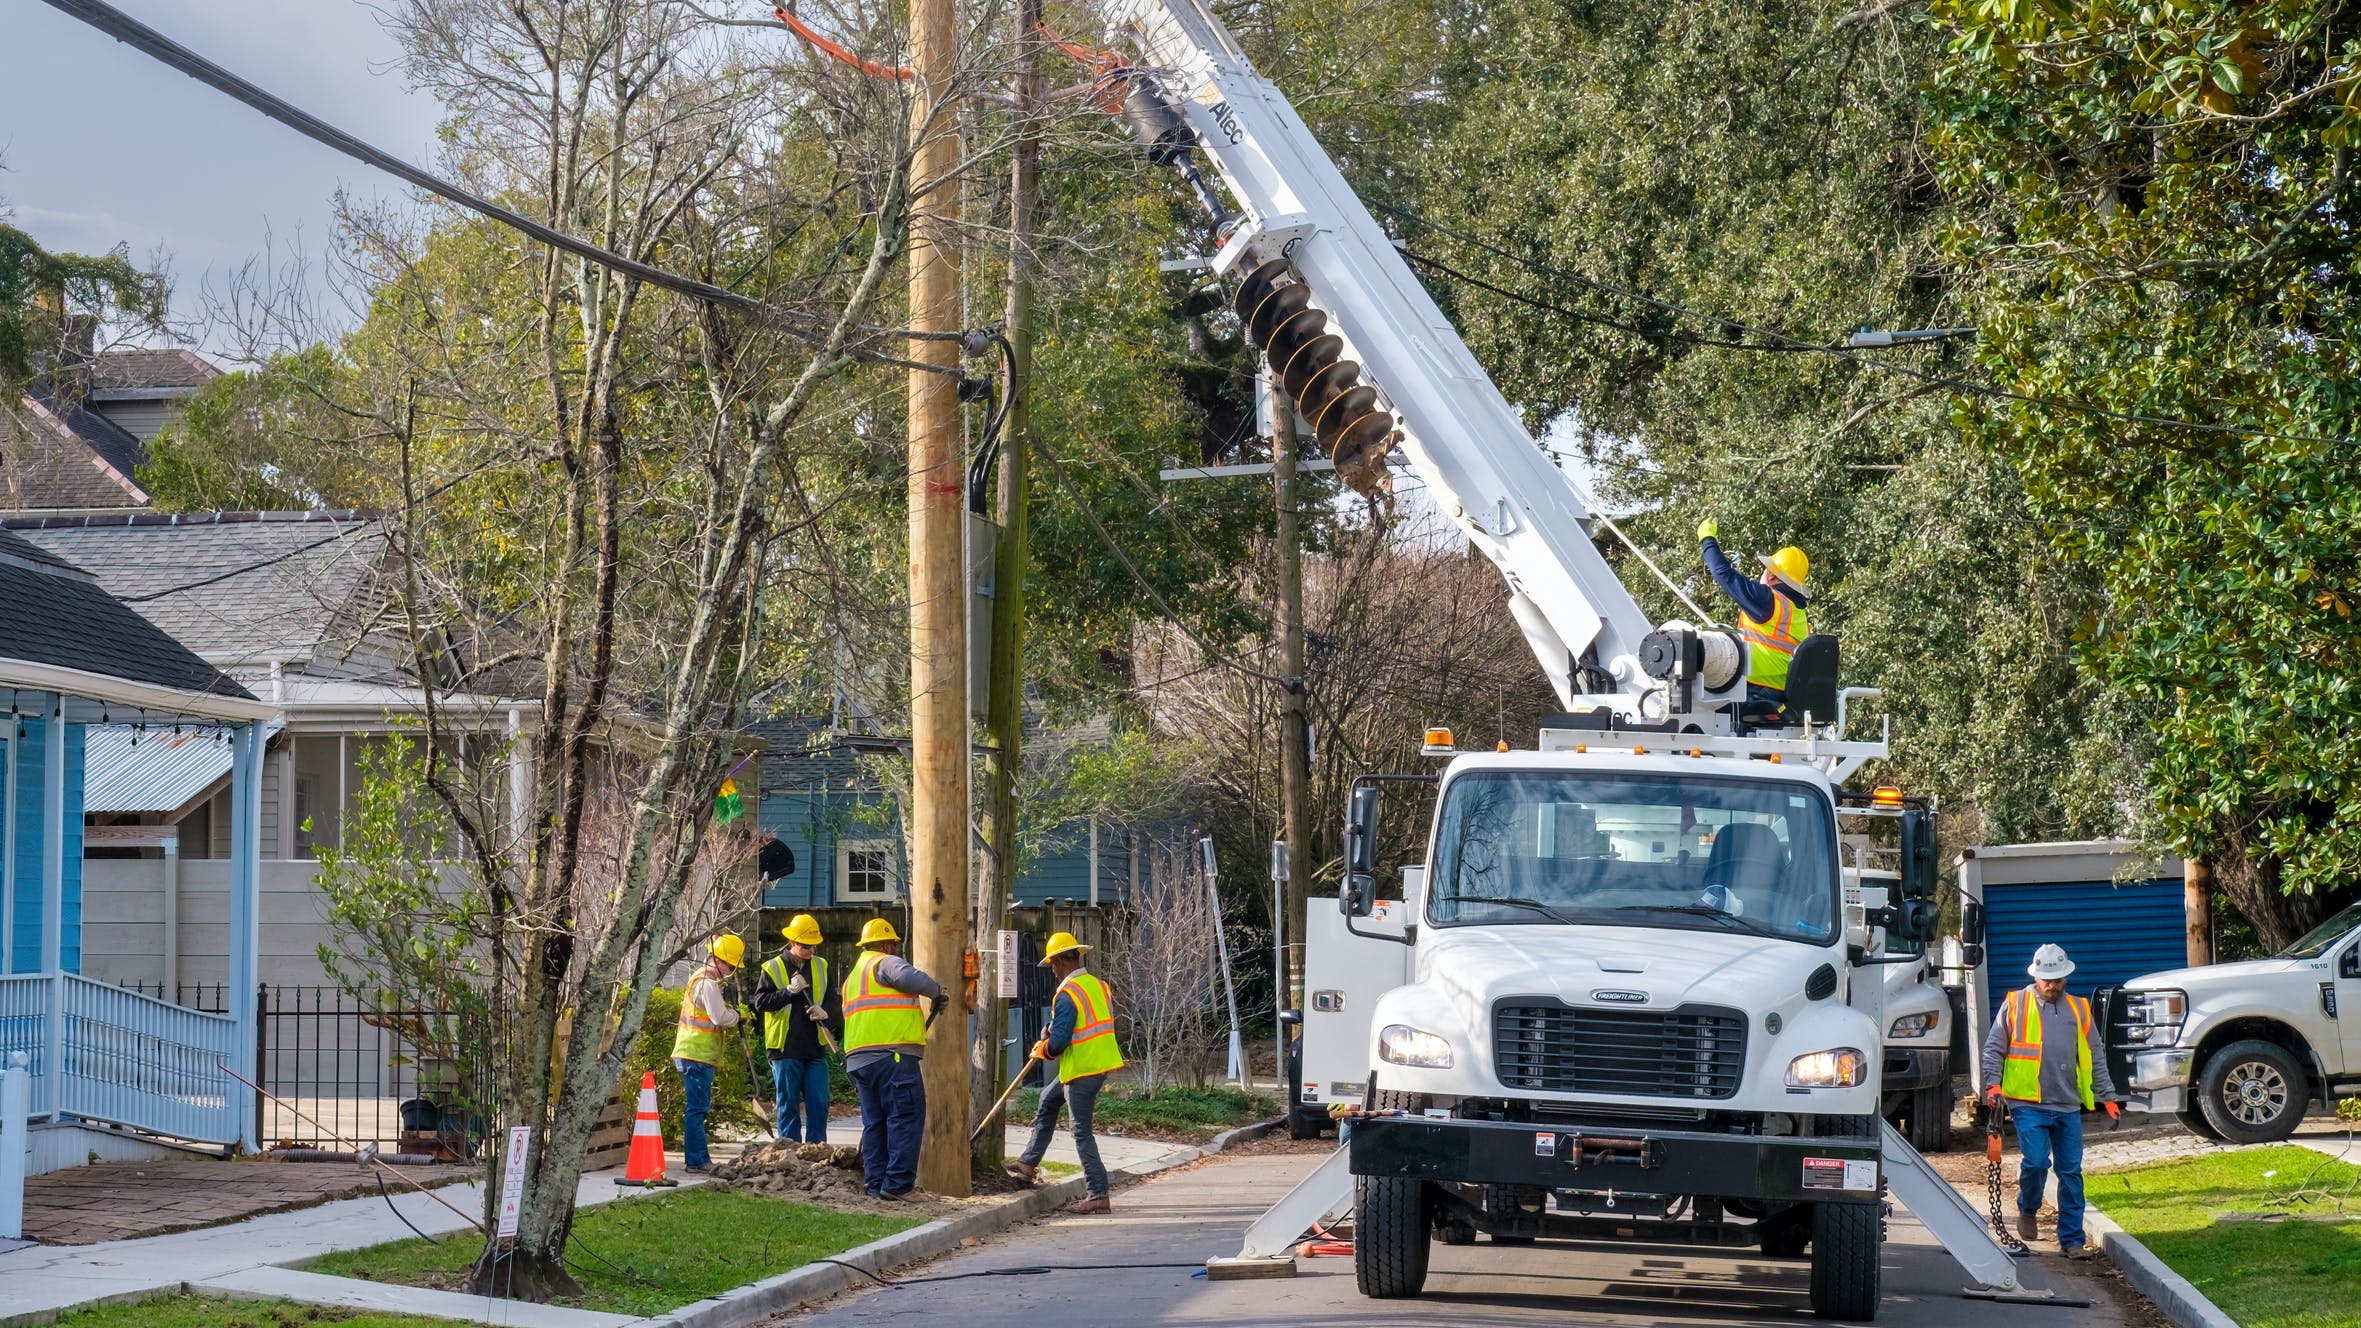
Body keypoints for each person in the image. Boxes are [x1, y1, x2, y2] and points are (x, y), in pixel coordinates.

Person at [1981, 943, 2122, 1259]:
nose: (2052, 985)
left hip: (2067, 1104)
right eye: (2047, 980)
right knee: (2036, 1162)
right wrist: (1993, 1085)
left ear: (2066, 978)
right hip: (2027, 1103)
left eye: (2057, 980)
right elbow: (1993, 1049)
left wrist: (2108, 1096)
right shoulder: (2016, 1004)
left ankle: (2071, 1241)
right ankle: (2028, 1207)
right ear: (2036, 977)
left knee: (2071, 1172)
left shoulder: (2079, 1009)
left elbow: (2095, 1055)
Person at [1004, 931, 1125, 1214]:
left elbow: (1058, 1044)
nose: (1053, 971)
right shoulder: (1097, 985)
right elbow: (1080, 1023)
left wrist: (1042, 1048)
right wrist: (1051, 1030)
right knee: (1048, 1100)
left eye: (1053, 964)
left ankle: (1098, 1194)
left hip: (1083, 1069)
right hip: (1097, 1063)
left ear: (1060, 961)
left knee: (1081, 1132)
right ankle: (1027, 1163)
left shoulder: (1068, 994)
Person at [840, 917, 946, 1199]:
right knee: (905, 1115)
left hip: (861, 1060)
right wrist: (937, 992)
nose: (896, 949)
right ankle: (898, 1186)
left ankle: (876, 1185)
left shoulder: (852, 977)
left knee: (875, 1123)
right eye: (894, 945)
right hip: (892, 1055)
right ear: (887, 944)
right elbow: (911, 978)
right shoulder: (884, 962)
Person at [1695, 519, 1811, 726]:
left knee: (1695, 702)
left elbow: (1723, 575)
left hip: (1756, 692)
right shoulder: (1797, 612)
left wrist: (1707, 538)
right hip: (1780, 695)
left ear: (1773, 575)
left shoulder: (1769, 601)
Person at [748, 913, 843, 1144]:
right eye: (805, 945)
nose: (811, 950)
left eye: (813, 945)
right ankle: (789, 1150)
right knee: (788, 1103)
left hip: (814, 1048)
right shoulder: (773, 967)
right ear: (792, 943)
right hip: (785, 1048)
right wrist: (789, 992)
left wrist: (825, 1011)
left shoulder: (821, 966)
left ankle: (816, 1149)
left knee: (819, 1102)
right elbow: (760, 1002)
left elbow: (832, 999)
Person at [670, 933, 746, 1174]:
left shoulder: (701, 980)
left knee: (697, 1107)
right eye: (731, 966)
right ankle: (696, 1161)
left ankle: (698, 1158)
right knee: (697, 1109)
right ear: (720, 962)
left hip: (694, 1053)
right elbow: (720, 1017)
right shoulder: (707, 983)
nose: (733, 971)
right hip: (696, 1054)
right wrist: (738, 1016)